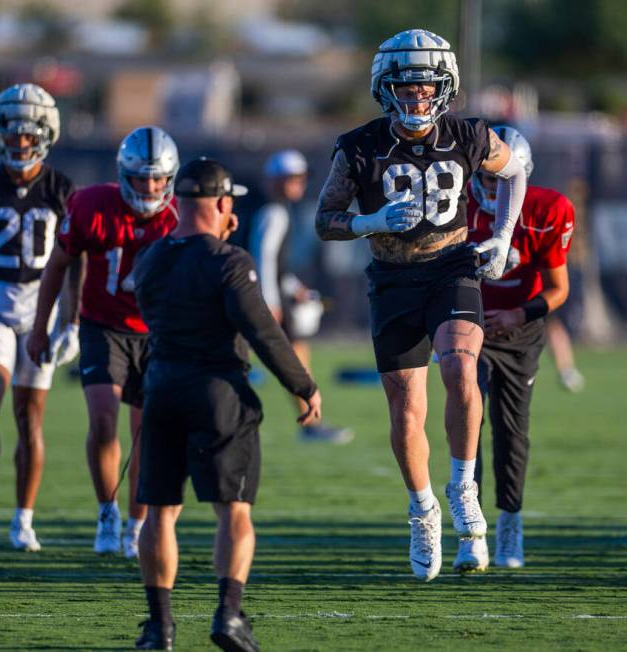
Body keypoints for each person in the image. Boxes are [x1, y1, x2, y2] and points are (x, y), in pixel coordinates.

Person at [314, 28, 527, 580]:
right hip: (392, 279)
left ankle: (462, 485)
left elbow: (516, 168)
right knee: (407, 408)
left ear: (446, 87)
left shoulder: (469, 134)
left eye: (426, 89)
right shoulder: (358, 146)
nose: (416, 99)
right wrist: (370, 222)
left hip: (452, 270)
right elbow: (324, 221)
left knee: (460, 366)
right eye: (405, 90)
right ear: (384, 90)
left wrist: (502, 235)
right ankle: (422, 511)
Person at [131, 158, 322, 651]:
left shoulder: (150, 259)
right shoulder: (231, 262)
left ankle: (160, 627)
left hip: (162, 389)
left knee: (158, 513)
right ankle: (229, 616)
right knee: (234, 512)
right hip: (219, 392)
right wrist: (302, 385)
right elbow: (262, 331)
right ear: (222, 204)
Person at [27, 126, 180, 558]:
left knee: (147, 433)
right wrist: (44, 326)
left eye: (157, 179)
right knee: (102, 420)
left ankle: (136, 524)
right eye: (140, 178)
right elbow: (59, 263)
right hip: (103, 327)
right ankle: (106, 512)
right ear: (123, 175)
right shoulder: (93, 205)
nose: (149, 188)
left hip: (157, 333)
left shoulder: (181, 216)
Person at [0, 84, 77, 553]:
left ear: (46, 135)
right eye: (11, 133)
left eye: (28, 135)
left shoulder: (62, 189)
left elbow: (75, 261)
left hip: (40, 309)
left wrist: (73, 322)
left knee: (30, 417)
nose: (19, 142)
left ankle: (23, 520)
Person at [467, 125, 574, 568]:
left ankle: (510, 521)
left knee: (511, 427)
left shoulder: (550, 208)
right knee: (466, 421)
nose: (492, 187)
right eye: (487, 177)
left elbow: (558, 289)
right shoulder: (457, 202)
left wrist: (517, 315)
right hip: (467, 321)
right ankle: (469, 525)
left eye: (502, 178)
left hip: (518, 328)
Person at [249, 149, 353, 443]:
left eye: (300, 177)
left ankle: (311, 422)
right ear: (274, 180)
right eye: (290, 178)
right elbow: (263, 259)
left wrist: (294, 288)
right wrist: (269, 301)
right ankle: (311, 423)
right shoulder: (273, 211)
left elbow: (275, 266)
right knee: (294, 359)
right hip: (261, 300)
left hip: (264, 296)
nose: (298, 182)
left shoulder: (278, 209)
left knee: (296, 357)